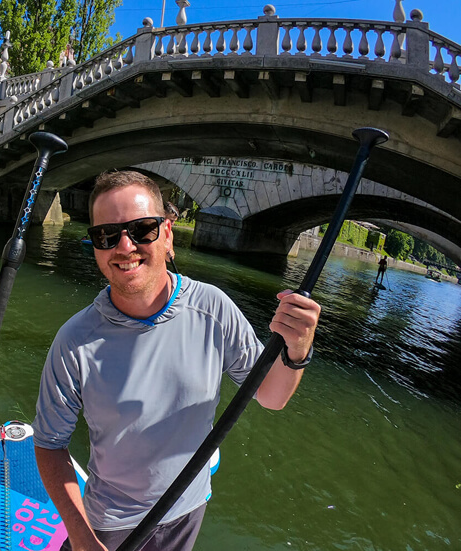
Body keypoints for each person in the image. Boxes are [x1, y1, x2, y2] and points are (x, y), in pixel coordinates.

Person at [33, 171, 320, 551]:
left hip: (189, 508)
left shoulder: (214, 309)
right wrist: (82, 536)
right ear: (96, 247)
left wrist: (297, 348)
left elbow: (271, 395)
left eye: (142, 229)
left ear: (167, 234)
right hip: (110, 524)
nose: (124, 246)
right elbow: (50, 444)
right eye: (107, 235)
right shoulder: (74, 341)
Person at [163, 202, 179, 268]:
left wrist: (170, 255)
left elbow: (169, 259)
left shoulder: (170, 234)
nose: (172, 223)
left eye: (174, 221)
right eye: (171, 220)